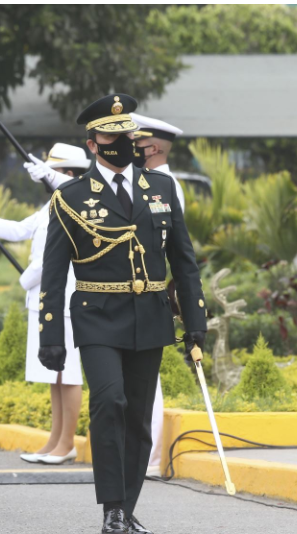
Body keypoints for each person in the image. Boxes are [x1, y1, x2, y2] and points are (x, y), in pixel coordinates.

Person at [37, 94, 206, 534]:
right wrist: (50, 334)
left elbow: (183, 262)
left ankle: (125, 510)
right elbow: (53, 275)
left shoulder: (162, 189)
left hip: (149, 317)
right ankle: (112, 508)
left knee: (137, 415)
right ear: (93, 144)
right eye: (112, 136)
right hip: (97, 316)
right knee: (109, 401)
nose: (124, 142)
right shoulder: (70, 197)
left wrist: (196, 324)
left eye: (128, 134)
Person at [0, 143, 89, 465]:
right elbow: (20, 230)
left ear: (70, 176)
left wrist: (25, 280)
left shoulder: (79, 206)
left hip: (66, 299)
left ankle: (67, 443)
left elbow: (52, 259)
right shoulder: (51, 206)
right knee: (54, 371)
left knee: (70, 373)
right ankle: (55, 440)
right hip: (45, 301)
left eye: (54, 171)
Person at [130, 112, 186, 478]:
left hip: (151, 290)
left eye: (134, 145)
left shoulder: (162, 184)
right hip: (142, 290)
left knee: (147, 380)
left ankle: (148, 455)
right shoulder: (154, 180)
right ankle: (142, 453)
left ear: (150, 148)